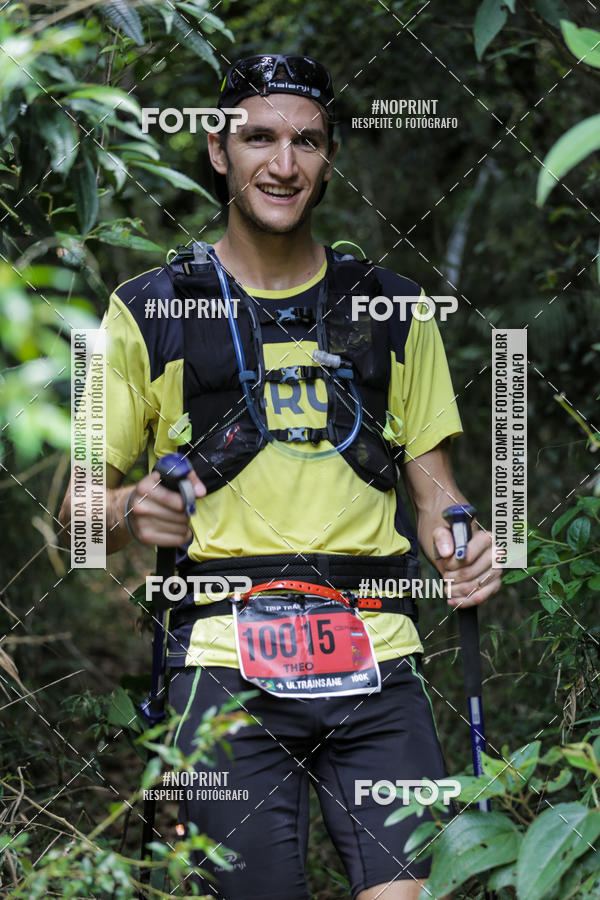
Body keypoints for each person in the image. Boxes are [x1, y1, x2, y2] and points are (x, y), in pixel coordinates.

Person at [59, 53, 501, 900]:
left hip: (378, 654)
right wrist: (128, 506)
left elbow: (435, 489)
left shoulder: (395, 309)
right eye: (258, 138)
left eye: (307, 141)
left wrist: (464, 538)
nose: (284, 164)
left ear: (330, 157)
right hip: (222, 663)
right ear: (218, 151)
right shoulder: (146, 310)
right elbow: (75, 517)